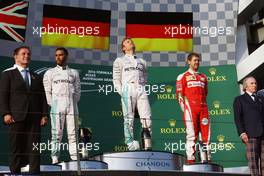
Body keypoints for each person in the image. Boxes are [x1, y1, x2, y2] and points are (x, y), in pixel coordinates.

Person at [0, 46, 48, 174]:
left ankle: (34, 173)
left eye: (29, 54)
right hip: (15, 117)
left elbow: (42, 97)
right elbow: (3, 96)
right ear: (15, 56)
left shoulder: (36, 76)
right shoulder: (8, 73)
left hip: (35, 118)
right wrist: (6, 113)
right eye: (23, 53)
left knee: (34, 148)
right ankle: (15, 173)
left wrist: (44, 115)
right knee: (16, 147)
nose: (27, 56)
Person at [113, 37, 152, 151]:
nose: (131, 42)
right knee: (128, 118)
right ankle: (130, 144)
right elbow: (116, 79)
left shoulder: (142, 61)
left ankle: (147, 143)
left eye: (131, 41)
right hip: (127, 88)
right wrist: (122, 92)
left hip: (140, 88)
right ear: (124, 48)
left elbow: (145, 77)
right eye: (127, 42)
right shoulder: (119, 60)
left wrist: (141, 86)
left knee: (146, 118)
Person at [43, 47, 81, 164]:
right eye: (56, 55)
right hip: (57, 104)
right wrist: (53, 104)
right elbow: (47, 92)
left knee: (73, 132)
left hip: (72, 105)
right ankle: (55, 158)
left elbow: (78, 90)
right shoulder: (50, 72)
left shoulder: (74, 72)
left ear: (66, 56)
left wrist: (72, 102)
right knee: (56, 133)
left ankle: (75, 157)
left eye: (61, 55)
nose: (58, 57)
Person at [176, 52, 211, 164]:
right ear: (189, 61)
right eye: (194, 60)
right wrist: (186, 109)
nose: (197, 62)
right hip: (190, 109)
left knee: (206, 135)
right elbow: (180, 96)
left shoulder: (203, 77)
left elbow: (205, 93)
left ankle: (207, 159)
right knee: (191, 135)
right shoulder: (182, 76)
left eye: (198, 60)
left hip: (203, 109)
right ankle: (191, 160)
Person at [233, 76, 264, 176]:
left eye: (255, 83)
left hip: (263, 134)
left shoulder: (261, 98)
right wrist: (242, 133)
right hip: (250, 135)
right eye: (252, 83)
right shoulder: (239, 99)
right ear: (245, 86)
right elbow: (238, 119)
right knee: (253, 163)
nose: (254, 85)